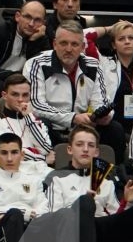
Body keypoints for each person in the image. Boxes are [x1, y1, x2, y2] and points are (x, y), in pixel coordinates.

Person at [28, 19, 110, 149]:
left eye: (74, 44)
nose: (68, 49)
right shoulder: (37, 64)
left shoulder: (93, 65)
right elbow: (36, 106)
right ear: (54, 44)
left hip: (83, 128)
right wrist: (72, 118)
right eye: (63, 43)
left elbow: (101, 101)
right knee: (40, 123)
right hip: (51, 127)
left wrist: (102, 116)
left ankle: (109, 169)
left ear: (83, 47)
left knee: (114, 129)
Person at [0, 72, 54, 166]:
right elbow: (10, 152)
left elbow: (46, 149)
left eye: (25, 95)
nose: (20, 99)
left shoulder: (36, 121)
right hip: (10, 175)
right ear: (4, 95)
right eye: (15, 94)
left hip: (39, 175)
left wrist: (28, 117)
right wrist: (43, 159)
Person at [0, 0, 50, 77]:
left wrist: (32, 41)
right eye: (27, 17)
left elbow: (42, 71)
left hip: (25, 84)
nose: (31, 24)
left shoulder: (40, 38)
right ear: (17, 17)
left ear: (43, 23)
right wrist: (15, 77)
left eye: (37, 20)